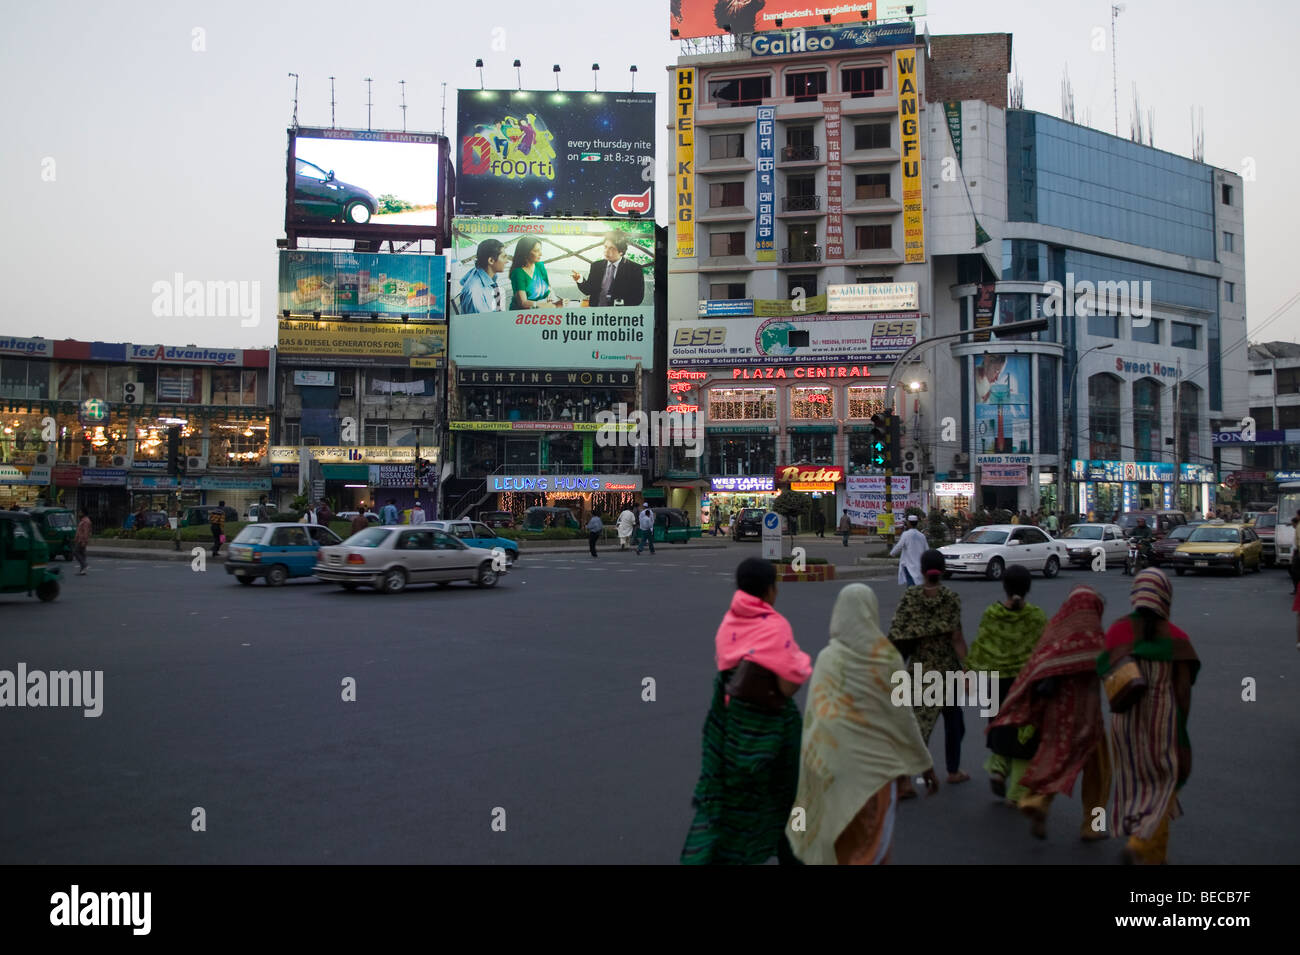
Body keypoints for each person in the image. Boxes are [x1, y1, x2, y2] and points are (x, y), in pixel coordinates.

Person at [788, 584, 939, 865]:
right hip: (874, 778)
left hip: (828, 770)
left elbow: (816, 721)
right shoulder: (886, 659)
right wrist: (924, 764)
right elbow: (903, 717)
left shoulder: (827, 658)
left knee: (839, 848)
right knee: (873, 850)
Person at [681, 557, 812, 865]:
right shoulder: (774, 625)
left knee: (735, 803)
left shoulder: (729, 622)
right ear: (768, 590)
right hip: (771, 731)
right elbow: (788, 684)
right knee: (784, 803)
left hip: (729, 726)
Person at [992, 585, 1112, 841]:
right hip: (1089, 717)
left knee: (1055, 762)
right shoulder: (1094, 637)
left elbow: (1036, 665)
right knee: (1099, 773)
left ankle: (1036, 802)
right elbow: (1104, 676)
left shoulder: (1056, 630)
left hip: (1057, 713)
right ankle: (1094, 825)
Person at [1097, 569, 1199, 864]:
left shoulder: (1117, 631)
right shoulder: (1177, 638)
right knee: (1163, 784)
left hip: (1124, 721)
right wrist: (1181, 728)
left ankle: (1142, 842)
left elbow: (1105, 672)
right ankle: (1143, 846)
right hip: (1162, 720)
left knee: (1134, 782)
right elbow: (1182, 691)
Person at [965, 564, 1049, 805]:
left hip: (995, 682)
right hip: (1024, 684)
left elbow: (981, 645)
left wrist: (968, 671)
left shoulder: (992, 613)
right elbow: (1045, 649)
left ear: (1004, 586)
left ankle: (999, 769)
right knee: (1023, 735)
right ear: (1028, 588)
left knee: (999, 727)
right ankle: (1016, 793)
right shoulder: (1036, 616)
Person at [887, 549, 969, 792]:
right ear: (943, 570)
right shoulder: (950, 598)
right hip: (947, 670)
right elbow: (957, 637)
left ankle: (905, 779)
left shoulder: (910, 597)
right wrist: (967, 669)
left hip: (921, 670)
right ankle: (952, 771)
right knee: (955, 723)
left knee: (919, 726)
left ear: (922, 571)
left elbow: (897, 632)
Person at [570, 230, 645, 307]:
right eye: (605, 247)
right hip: (596, 311)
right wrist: (580, 280)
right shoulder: (596, 266)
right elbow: (589, 291)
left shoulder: (635, 269)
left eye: (611, 248)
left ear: (621, 251)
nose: (606, 251)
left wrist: (618, 305)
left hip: (619, 313)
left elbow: (637, 298)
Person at [457, 238, 511, 313]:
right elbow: (479, 323)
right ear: (491, 261)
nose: (507, 261)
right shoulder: (475, 293)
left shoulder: (487, 277)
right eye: (504, 257)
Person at [509, 236, 563, 310]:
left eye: (540, 250)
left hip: (541, 310)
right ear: (525, 252)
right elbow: (523, 303)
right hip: (522, 315)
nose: (540, 254)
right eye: (536, 250)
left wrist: (550, 295)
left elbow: (548, 287)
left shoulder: (540, 266)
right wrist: (546, 305)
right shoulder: (518, 273)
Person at [889, 513, 928, 586]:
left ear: (909, 523)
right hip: (919, 564)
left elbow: (899, 546)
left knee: (911, 583)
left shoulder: (906, 534)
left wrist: (892, 554)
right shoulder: (922, 536)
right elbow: (926, 550)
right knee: (918, 583)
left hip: (908, 564)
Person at [74, 507, 91, 575]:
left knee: (76, 552)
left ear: (83, 513)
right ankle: (82, 570)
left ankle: (84, 564)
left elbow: (86, 532)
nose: (79, 513)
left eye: (80, 512)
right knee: (82, 554)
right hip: (80, 540)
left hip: (81, 540)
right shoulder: (83, 520)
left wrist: (84, 541)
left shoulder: (86, 521)